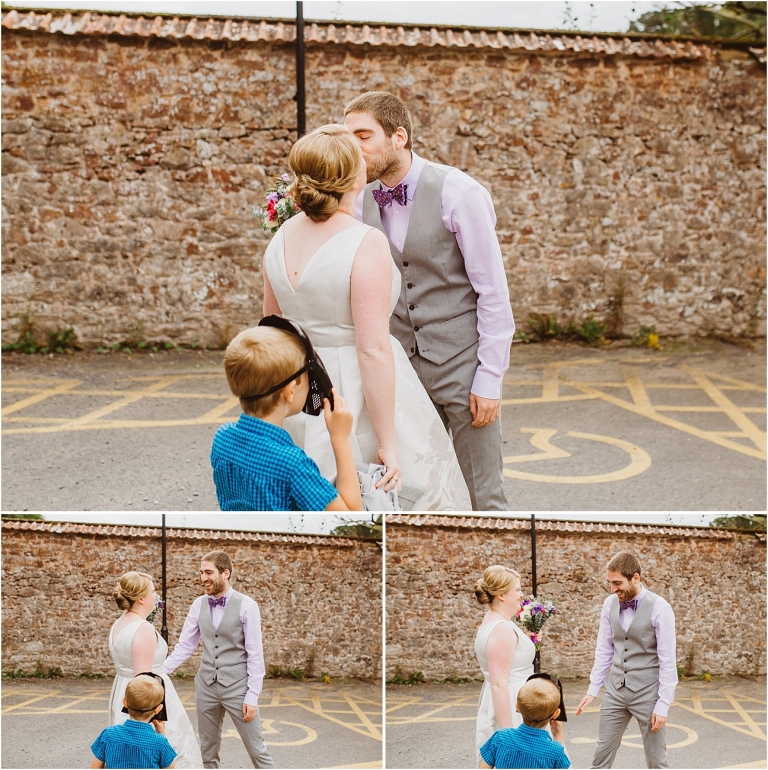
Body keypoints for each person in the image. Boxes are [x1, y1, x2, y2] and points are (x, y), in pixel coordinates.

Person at [262, 123, 471, 510]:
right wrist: (388, 445)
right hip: (354, 391)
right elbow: (372, 348)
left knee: (308, 501)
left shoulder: (281, 237)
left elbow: (271, 334)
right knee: (387, 504)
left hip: (297, 389)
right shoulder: (364, 242)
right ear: (354, 180)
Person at [344, 91, 515, 511]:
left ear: (398, 136)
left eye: (363, 136)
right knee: (419, 494)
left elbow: (493, 292)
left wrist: (489, 377)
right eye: (348, 138)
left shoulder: (458, 192)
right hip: (402, 371)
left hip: (463, 363)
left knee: (484, 497)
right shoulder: (357, 199)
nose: (354, 148)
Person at [211, 324, 362, 511]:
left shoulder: (222, 439)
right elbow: (351, 517)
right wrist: (341, 437)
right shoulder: (293, 466)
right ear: (290, 392)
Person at [163, 551, 274, 769]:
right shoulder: (198, 604)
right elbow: (185, 646)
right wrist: (159, 671)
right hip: (206, 686)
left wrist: (252, 695)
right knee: (208, 749)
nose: (203, 578)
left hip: (238, 688)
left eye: (208, 572)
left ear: (226, 573)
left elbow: (255, 653)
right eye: (201, 572)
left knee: (257, 749)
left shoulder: (247, 605)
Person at [575, 551, 678, 769]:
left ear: (636, 578)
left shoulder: (660, 608)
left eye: (617, 583)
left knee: (657, 762)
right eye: (609, 583)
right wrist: (593, 688)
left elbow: (668, 660)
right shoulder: (609, 604)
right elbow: (604, 649)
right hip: (615, 691)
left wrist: (663, 704)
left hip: (648, 693)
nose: (613, 589)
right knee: (600, 757)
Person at [107, 572, 202, 768]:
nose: (156, 596)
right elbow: (143, 681)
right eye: (153, 591)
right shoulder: (143, 629)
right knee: (155, 754)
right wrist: (152, 723)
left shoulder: (119, 623)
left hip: (123, 694)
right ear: (141, 598)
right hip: (147, 696)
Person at [473, 565, 533, 768]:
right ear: (501, 595)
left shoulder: (494, 621)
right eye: (517, 590)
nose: (521, 594)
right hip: (511, 705)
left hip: (511, 700)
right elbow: (499, 683)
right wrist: (507, 735)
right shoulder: (502, 629)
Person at [479, 677, 571, 769]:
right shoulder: (555, 752)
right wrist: (558, 736)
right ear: (556, 714)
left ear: (517, 706)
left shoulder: (501, 738)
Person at [91, 675, 177, 769]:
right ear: (158, 709)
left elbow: (94, 767)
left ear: (124, 702)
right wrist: (162, 735)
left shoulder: (108, 734)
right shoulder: (160, 742)